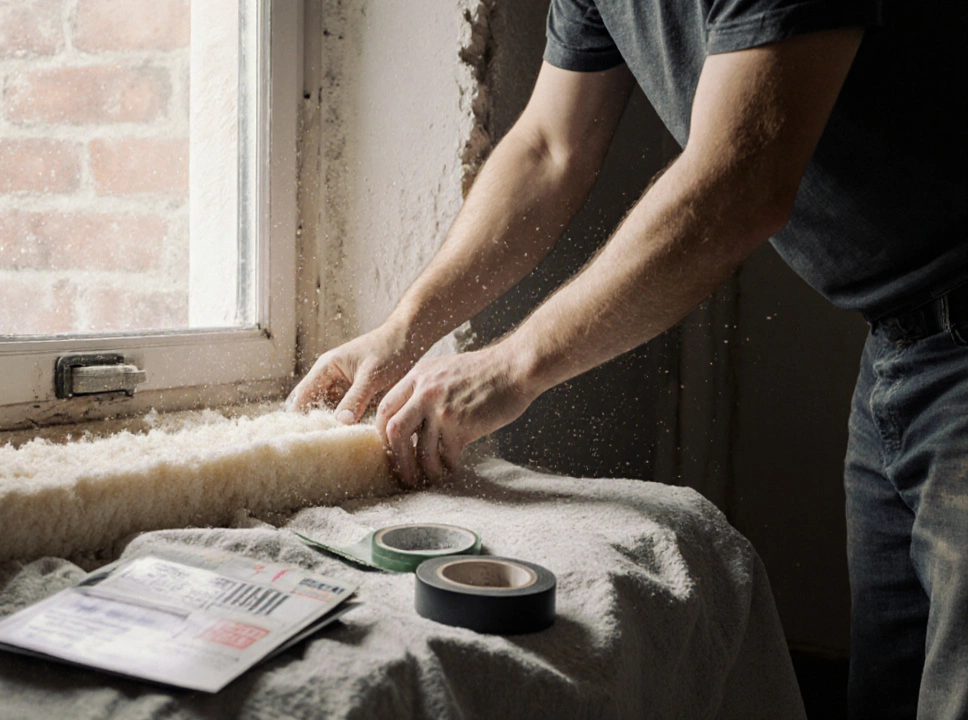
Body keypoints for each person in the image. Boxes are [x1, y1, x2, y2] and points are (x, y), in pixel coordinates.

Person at [288, 1, 966, 717]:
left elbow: (740, 177)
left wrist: (513, 365)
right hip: (902, 342)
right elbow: (549, 149)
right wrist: (402, 332)